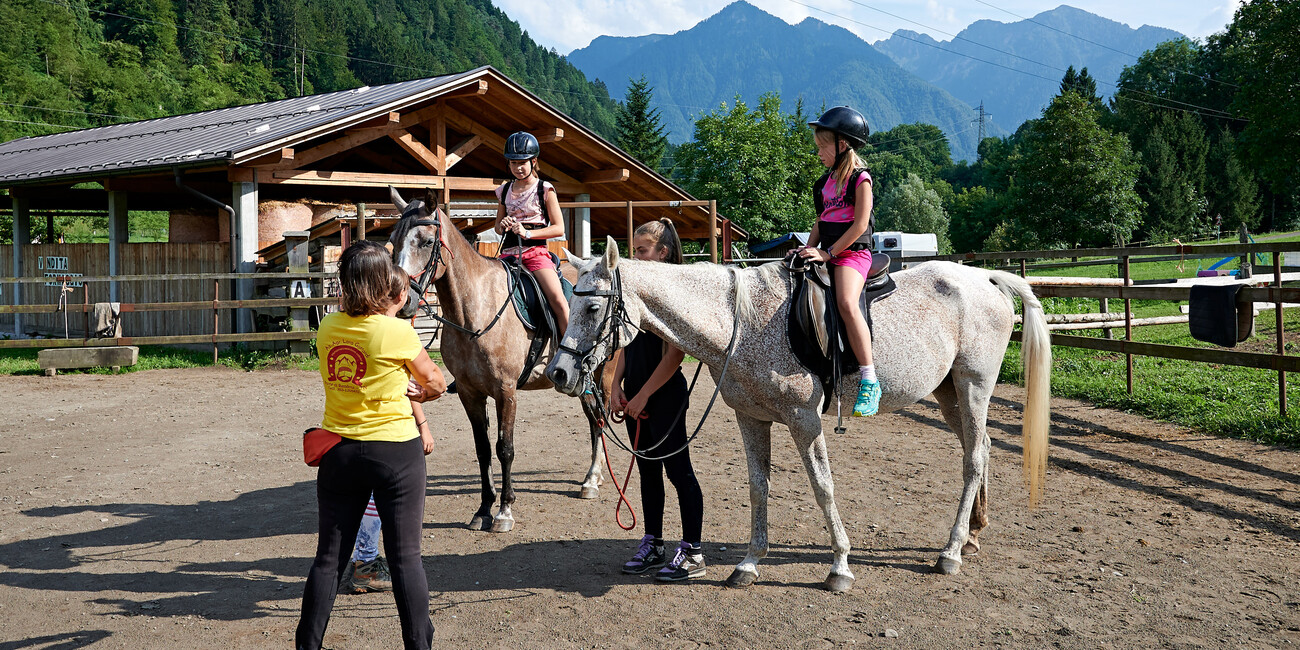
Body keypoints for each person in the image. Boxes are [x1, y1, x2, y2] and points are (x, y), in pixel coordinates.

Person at [297, 240, 445, 650]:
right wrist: (422, 393)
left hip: (339, 450)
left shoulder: (328, 327)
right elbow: (436, 382)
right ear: (385, 282)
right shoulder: (396, 331)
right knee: (405, 559)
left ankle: (307, 645)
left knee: (328, 560)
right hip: (395, 450)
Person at [612, 218, 707, 582]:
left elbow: (674, 356)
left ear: (663, 252)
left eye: (642, 250)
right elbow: (626, 343)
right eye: (633, 250)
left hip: (664, 395)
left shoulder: (673, 297)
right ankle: (653, 543)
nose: (635, 257)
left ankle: (693, 552)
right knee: (648, 471)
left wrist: (643, 395)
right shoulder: (636, 293)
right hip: (635, 396)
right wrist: (616, 386)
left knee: (679, 471)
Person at [797, 106, 882, 417]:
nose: (818, 153)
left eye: (823, 147)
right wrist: (808, 249)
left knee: (846, 302)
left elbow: (860, 225)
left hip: (852, 254)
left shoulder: (861, 179)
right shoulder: (824, 182)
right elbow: (821, 221)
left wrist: (828, 253)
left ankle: (869, 379)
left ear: (842, 145)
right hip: (827, 251)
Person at [494, 131, 570, 337]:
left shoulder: (544, 189)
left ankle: (570, 348)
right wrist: (503, 224)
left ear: (533, 161)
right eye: (513, 163)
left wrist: (527, 233)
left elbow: (559, 228)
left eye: (522, 163)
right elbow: (497, 227)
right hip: (507, 254)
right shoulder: (504, 190)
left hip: (536, 254)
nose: (517, 168)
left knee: (558, 301)